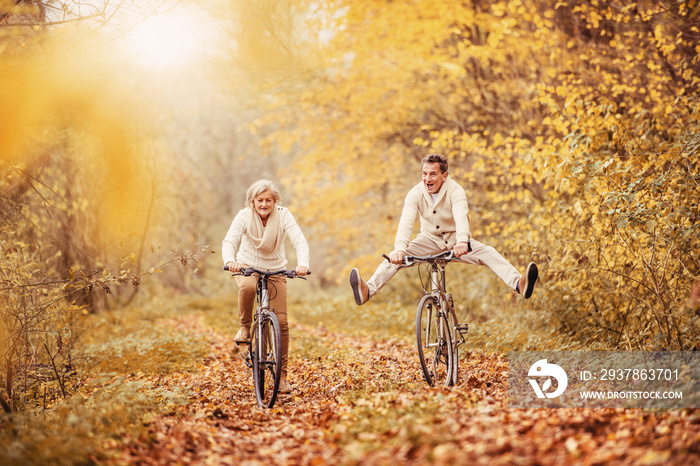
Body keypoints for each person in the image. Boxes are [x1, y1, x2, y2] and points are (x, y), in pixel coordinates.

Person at [349, 153, 538, 305]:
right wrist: (399, 248)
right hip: (429, 240)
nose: (427, 178)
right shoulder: (415, 193)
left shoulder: (455, 191)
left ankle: (518, 284)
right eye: (424, 174)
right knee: (393, 258)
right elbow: (406, 222)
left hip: (457, 241)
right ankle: (368, 290)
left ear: (444, 176)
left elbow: (461, 216)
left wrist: (463, 241)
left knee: (488, 253)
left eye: (432, 174)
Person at [222, 179, 310, 394]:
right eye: (260, 200)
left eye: (268, 200)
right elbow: (229, 242)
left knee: (281, 322)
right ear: (252, 201)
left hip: (276, 269)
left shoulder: (284, 215)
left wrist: (303, 264)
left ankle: (281, 377)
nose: (264, 204)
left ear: (275, 201)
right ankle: (244, 326)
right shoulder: (243, 216)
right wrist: (230, 260)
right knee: (248, 287)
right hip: (246, 266)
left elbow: (299, 240)